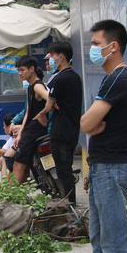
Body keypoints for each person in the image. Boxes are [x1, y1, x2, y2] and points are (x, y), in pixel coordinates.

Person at [80, 20, 127, 253]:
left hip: (110, 169)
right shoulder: (113, 78)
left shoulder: (117, 78)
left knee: (113, 246)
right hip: (102, 167)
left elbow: (85, 124)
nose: (92, 49)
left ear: (113, 46)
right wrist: (93, 124)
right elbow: (90, 125)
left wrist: (93, 124)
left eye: (96, 44)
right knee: (99, 242)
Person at [34, 41, 82, 205]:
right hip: (73, 130)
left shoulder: (60, 79)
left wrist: (44, 111)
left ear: (61, 57)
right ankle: (70, 201)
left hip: (60, 131)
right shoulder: (76, 77)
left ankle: (70, 204)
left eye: (52, 56)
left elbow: (49, 105)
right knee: (66, 167)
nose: (51, 59)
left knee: (63, 171)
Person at [12, 55, 49, 184]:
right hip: (29, 130)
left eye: (22, 70)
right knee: (24, 165)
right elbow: (27, 113)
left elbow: (50, 98)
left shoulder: (38, 86)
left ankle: (10, 196)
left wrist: (43, 113)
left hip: (35, 131)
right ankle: (20, 194)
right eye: (18, 70)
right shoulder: (30, 87)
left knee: (18, 165)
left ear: (32, 69)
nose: (20, 73)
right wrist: (20, 133)